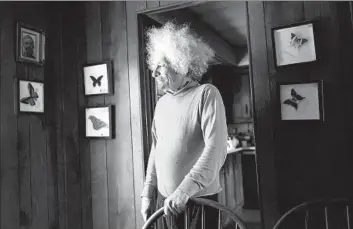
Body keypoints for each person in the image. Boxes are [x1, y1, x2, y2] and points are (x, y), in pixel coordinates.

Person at [140, 21, 228, 229]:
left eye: (160, 66)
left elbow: (216, 149)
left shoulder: (206, 94)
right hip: (165, 202)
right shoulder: (162, 103)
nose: (154, 74)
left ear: (180, 62)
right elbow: (156, 149)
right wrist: (147, 192)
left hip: (198, 202)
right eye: (154, 67)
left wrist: (185, 190)